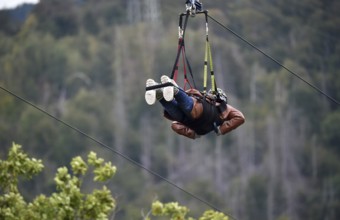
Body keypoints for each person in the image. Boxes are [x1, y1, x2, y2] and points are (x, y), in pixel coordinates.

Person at [145, 75, 245, 139]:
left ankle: (160, 91)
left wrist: (193, 134)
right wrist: (221, 130)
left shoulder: (220, 109)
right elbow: (240, 117)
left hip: (187, 116)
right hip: (193, 113)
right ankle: (171, 90)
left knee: (181, 107)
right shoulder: (223, 108)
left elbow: (175, 126)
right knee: (186, 107)